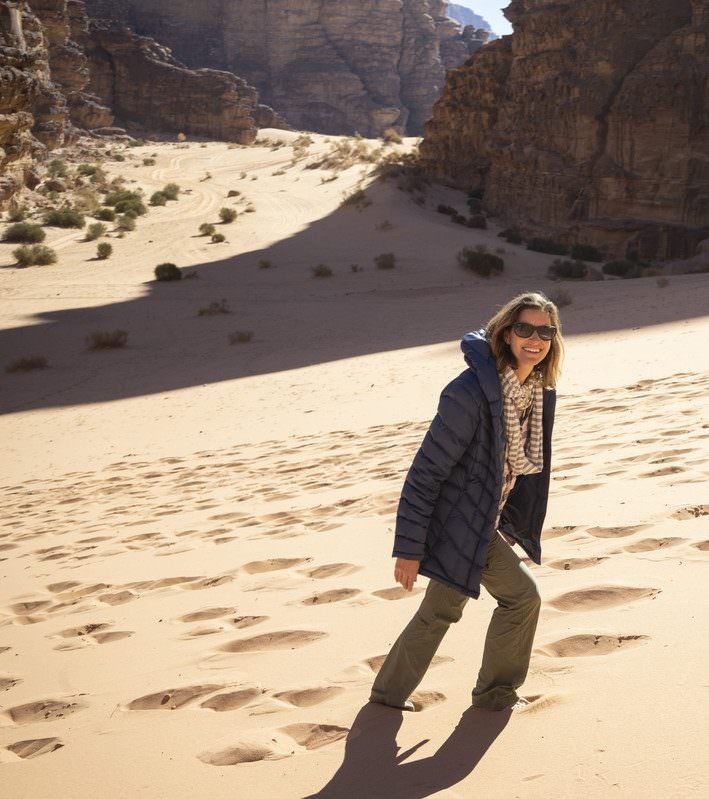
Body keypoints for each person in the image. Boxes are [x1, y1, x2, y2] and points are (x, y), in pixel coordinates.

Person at [369, 291, 564, 712]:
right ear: (505, 334)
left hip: (481, 522)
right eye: (525, 329)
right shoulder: (471, 391)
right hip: (455, 522)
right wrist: (408, 549)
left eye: (545, 331)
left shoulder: (534, 392)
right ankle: (495, 694)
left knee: (441, 609)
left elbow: (517, 473)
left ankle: (388, 697)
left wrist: (511, 524)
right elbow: (426, 472)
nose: (536, 339)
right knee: (520, 597)